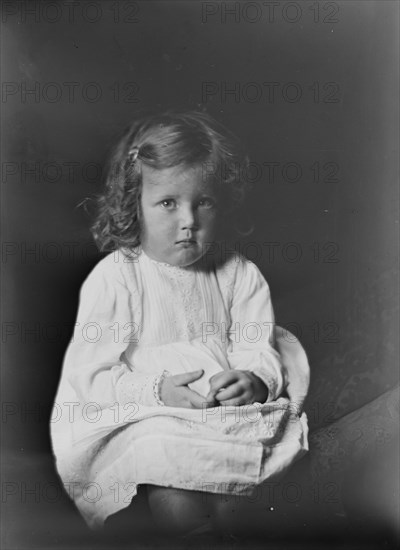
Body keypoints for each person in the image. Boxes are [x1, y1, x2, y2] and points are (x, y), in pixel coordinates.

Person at [50, 110, 310, 538]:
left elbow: (256, 344)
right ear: (135, 203)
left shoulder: (238, 273)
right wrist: (157, 390)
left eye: (203, 201)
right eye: (168, 202)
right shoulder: (119, 277)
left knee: (235, 487)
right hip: (149, 414)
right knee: (170, 473)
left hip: (225, 411)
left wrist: (254, 379)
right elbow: (92, 375)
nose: (188, 220)